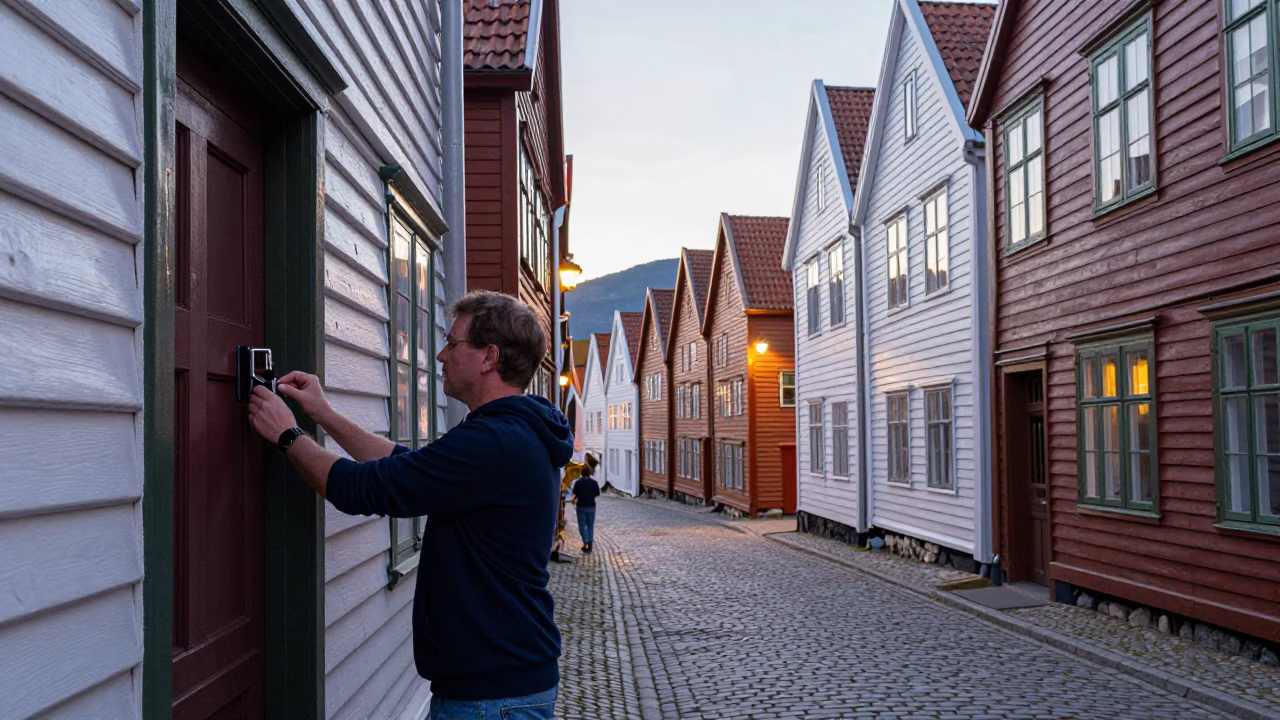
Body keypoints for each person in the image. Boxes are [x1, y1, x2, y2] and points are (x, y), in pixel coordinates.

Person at [246, 290, 573, 720]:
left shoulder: (495, 442)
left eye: (453, 344)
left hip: (492, 698)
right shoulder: (512, 434)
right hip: (502, 686)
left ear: (488, 356)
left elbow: (362, 489)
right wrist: (323, 414)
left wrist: (288, 436)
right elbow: (407, 466)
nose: (440, 355)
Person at [571, 463, 600, 553]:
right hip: (591, 506)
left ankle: (585, 542)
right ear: (589, 473)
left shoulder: (578, 483)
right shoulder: (594, 483)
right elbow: (597, 493)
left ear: (581, 472)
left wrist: (574, 499)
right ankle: (590, 544)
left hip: (581, 507)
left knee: (582, 526)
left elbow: (576, 493)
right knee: (590, 525)